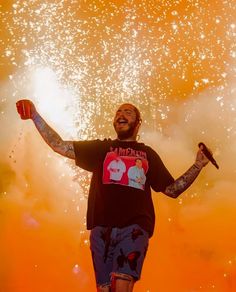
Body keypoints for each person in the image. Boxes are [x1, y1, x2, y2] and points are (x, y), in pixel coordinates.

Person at [16, 100, 209, 292]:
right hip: (101, 230)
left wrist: (198, 165)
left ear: (138, 123)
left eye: (128, 112)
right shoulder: (101, 149)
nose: (121, 115)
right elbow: (58, 145)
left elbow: (172, 189)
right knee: (105, 289)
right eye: (118, 112)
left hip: (134, 227)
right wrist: (34, 115)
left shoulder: (148, 154)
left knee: (121, 285)